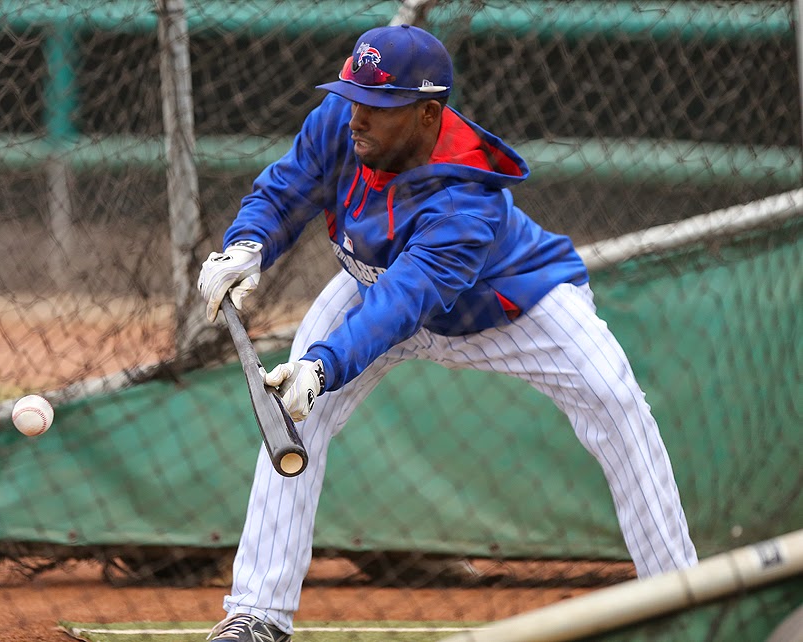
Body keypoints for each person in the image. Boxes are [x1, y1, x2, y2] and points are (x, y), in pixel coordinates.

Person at [197, 24, 698, 642]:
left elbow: (405, 302)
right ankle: (257, 615)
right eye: (354, 97)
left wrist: (323, 365)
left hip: (509, 307)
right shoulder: (341, 119)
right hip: (377, 284)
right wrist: (246, 246)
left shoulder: (467, 199)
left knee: (615, 401)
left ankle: (686, 608)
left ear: (428, 113)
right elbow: (286, 187)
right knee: (293, 416)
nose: (358, 117)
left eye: (378, 107)